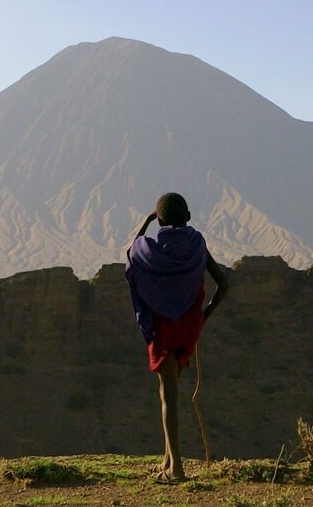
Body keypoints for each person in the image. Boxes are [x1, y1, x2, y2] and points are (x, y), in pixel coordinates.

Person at [125, 192, 229, 483]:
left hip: (164, 328)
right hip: (189, 327)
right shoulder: (197, 244)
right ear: (188, 217)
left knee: (168, 393)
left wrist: (146, 223)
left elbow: (132, 254)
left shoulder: (153, 249)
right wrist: (203, 318)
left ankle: (176, 470)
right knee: (171, 390)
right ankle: (167, 459)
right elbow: (224, 284)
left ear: (160, 220)